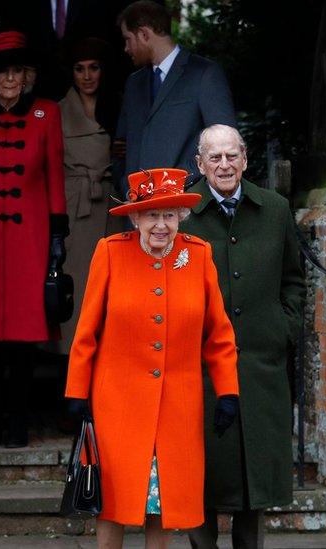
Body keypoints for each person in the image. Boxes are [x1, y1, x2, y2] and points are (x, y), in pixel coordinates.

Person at [65, 168, 240, 548]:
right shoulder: (110, 252)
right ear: (135, 216)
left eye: (170, 215)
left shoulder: (198, 255)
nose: (161, 225)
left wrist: (228, 391)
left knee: (164, 504)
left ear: (181, 217)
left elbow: (219, 334)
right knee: (112, 503)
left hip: (177, 405)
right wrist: (77, 392)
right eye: (152, 215)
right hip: (117, 405)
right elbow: (87, 330)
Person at [182, 125, 306, 549]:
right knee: (204, 476)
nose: (224, 165)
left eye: (231, 156)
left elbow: (294, 279)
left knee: (255, 482)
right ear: (199, 165)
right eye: (214, 158)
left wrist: (284, 326)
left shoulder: (274, 208)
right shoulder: (183, 214)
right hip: (200, 368)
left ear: (245, 159)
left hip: (260, 363)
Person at [0, 31, 67, 449]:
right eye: (3, 71)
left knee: (23, 337)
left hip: (30, 238)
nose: (10, 78)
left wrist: (58, 235)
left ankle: (19, 422)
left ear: (28, 76)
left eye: (17, 71)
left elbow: (55, 174)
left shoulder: (47, 112)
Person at [112, 0, 235, 190]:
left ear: (144, 34)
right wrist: (126, 186)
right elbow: (120, 148)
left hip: (187, 210)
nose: (126, 48)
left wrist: (169, 184)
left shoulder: (204, 74)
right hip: (138, 211)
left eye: (127, 39)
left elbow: (224, 145)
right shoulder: (133, 83)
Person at [56, 37, 124, 351]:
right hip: (74, 208)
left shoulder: (118, 108)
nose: (87, 76)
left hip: (108, 204)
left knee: (108, 286)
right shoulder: (57, 112)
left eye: (93, 68)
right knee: (76, 285)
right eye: (80, 68)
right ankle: (71, 361)